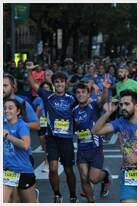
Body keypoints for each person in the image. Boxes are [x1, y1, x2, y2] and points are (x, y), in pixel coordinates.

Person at [27, 61, 78, 203]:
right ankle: (57, 195)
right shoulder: (48, 95)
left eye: (62, 82)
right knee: (53, 168)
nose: (60, 84)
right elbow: (33, 84)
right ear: (54, 83)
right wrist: (29, 71)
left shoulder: (72, 99)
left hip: (67, 139)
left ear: (66, 84)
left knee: (68, 170)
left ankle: (73, 195)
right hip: (52, 138)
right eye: (57, 82)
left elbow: (84, 105)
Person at [73, 83, 111, 202]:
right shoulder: (74, 110)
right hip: (81, 150)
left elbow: (103, 100)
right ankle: (91, 202)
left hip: (95, 148)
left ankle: (106, 176)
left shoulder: (94, 106)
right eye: (78, 92)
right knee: (84, 178)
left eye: (83, 92)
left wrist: (105, 88)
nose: (80, 94)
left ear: (88, 94)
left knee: (93, 179)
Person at [3, 99, 37, 203]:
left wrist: (7, 136)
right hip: (8, 170)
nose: (6, 111)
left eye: (10, 108)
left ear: (18, 111)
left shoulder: (22, 126)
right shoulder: (3, 125)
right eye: (4, 108)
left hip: (23, 170)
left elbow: (26, 145)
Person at [32, 81, 54, 173]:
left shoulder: (53, 97)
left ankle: (47, 162)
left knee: (48, 143)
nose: (45, 89)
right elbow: (35, 111)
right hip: (41, 122)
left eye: (47, 87)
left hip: (50, 123)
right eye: (43, 87)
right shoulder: (37, 99)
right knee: (43, 143)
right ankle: (48, 158)